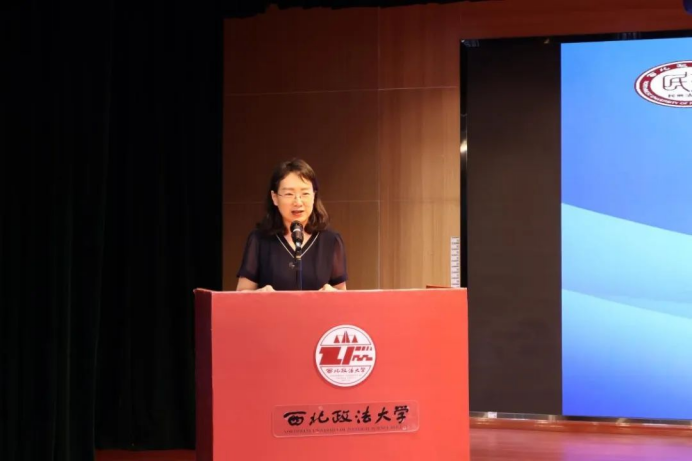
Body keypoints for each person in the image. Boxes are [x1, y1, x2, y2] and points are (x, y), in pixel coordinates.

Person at [236, 159, 348, 292]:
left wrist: (332, 293)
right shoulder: (259, 239)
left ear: (314, 196)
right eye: (289, 194)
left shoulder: (330, 240)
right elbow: (242, 293)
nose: (298, 202)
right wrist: (259, 294)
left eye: (305, 193)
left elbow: (342, 295)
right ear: (275, 197)